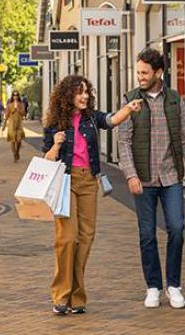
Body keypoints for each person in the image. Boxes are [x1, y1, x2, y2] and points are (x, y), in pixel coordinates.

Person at [43, 75, 142, 315]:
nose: (85, 96)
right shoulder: (55, 122)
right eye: (79, 92)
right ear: (68, 95)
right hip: (65, 181)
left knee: (85, 238)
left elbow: (111, 120)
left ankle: (77, 296)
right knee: (67, 239)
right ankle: (60, 295)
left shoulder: (91, 118)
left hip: (89, 181)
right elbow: (46, 159)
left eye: (87, 91)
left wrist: (128, 109)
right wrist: (56, 145)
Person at [118, 48, 185, 310]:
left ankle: (174, 285)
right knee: (147, 234)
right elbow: (123, 142)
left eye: (145, 73)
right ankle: (153, 286)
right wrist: (130, 175)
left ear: (158, 72)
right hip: (143, 180)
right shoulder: (131, 100)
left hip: (170, 177)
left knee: (177, 229)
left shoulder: (174, 100)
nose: (140, 77)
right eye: (138, 72)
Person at [3, 91, 27, 162]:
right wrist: (4, 125)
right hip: (11, 124)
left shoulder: (21, 104)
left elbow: (24, 114)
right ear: (12, 96)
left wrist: (18, 109)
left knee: (19, 140)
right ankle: (14, 154)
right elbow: (6, 115)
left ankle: (17, 152)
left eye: (17, 95)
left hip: (19, 124)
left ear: (18, 96)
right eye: (14, 95)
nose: (15, 97)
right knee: (13, 140)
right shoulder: (9, 105)